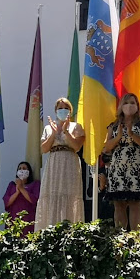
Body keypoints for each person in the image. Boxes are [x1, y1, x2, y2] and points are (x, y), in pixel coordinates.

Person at [102, 93, 140, 231]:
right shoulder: (114, 125)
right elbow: (107, 146)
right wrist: (118, 136)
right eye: (126, 103)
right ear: (121, 106)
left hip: (137, 167)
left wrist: (132, 134)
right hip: (118, 167)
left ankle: (136, 237)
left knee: (135, 202)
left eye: (132, 103)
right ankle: (120, 236)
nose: (129, 106)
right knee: (119, 203)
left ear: (137, 106)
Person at [35, 98, 85, 231]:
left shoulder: (77, 126)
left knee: (69, 196)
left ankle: (69, 230)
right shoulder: (48, 127)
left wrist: (66, 131)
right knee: (52, 196)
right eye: (60, 108)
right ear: (56, 111)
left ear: (70, 110)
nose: (63, 110)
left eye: (66, 107)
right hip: (54, 163)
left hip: (70, 162)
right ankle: (50, 230)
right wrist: (54, 133)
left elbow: (77, 146)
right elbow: (43, 149)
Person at [2, 161, 40, 235]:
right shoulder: (12, 185)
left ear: (29, 172)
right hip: (13, 219)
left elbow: (34, 200)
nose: (22, 170)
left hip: (29, 220)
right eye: (20, 168)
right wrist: (17, 191)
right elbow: (7, 202)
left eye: (24, 168)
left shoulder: (35, 184)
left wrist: (21, 188)